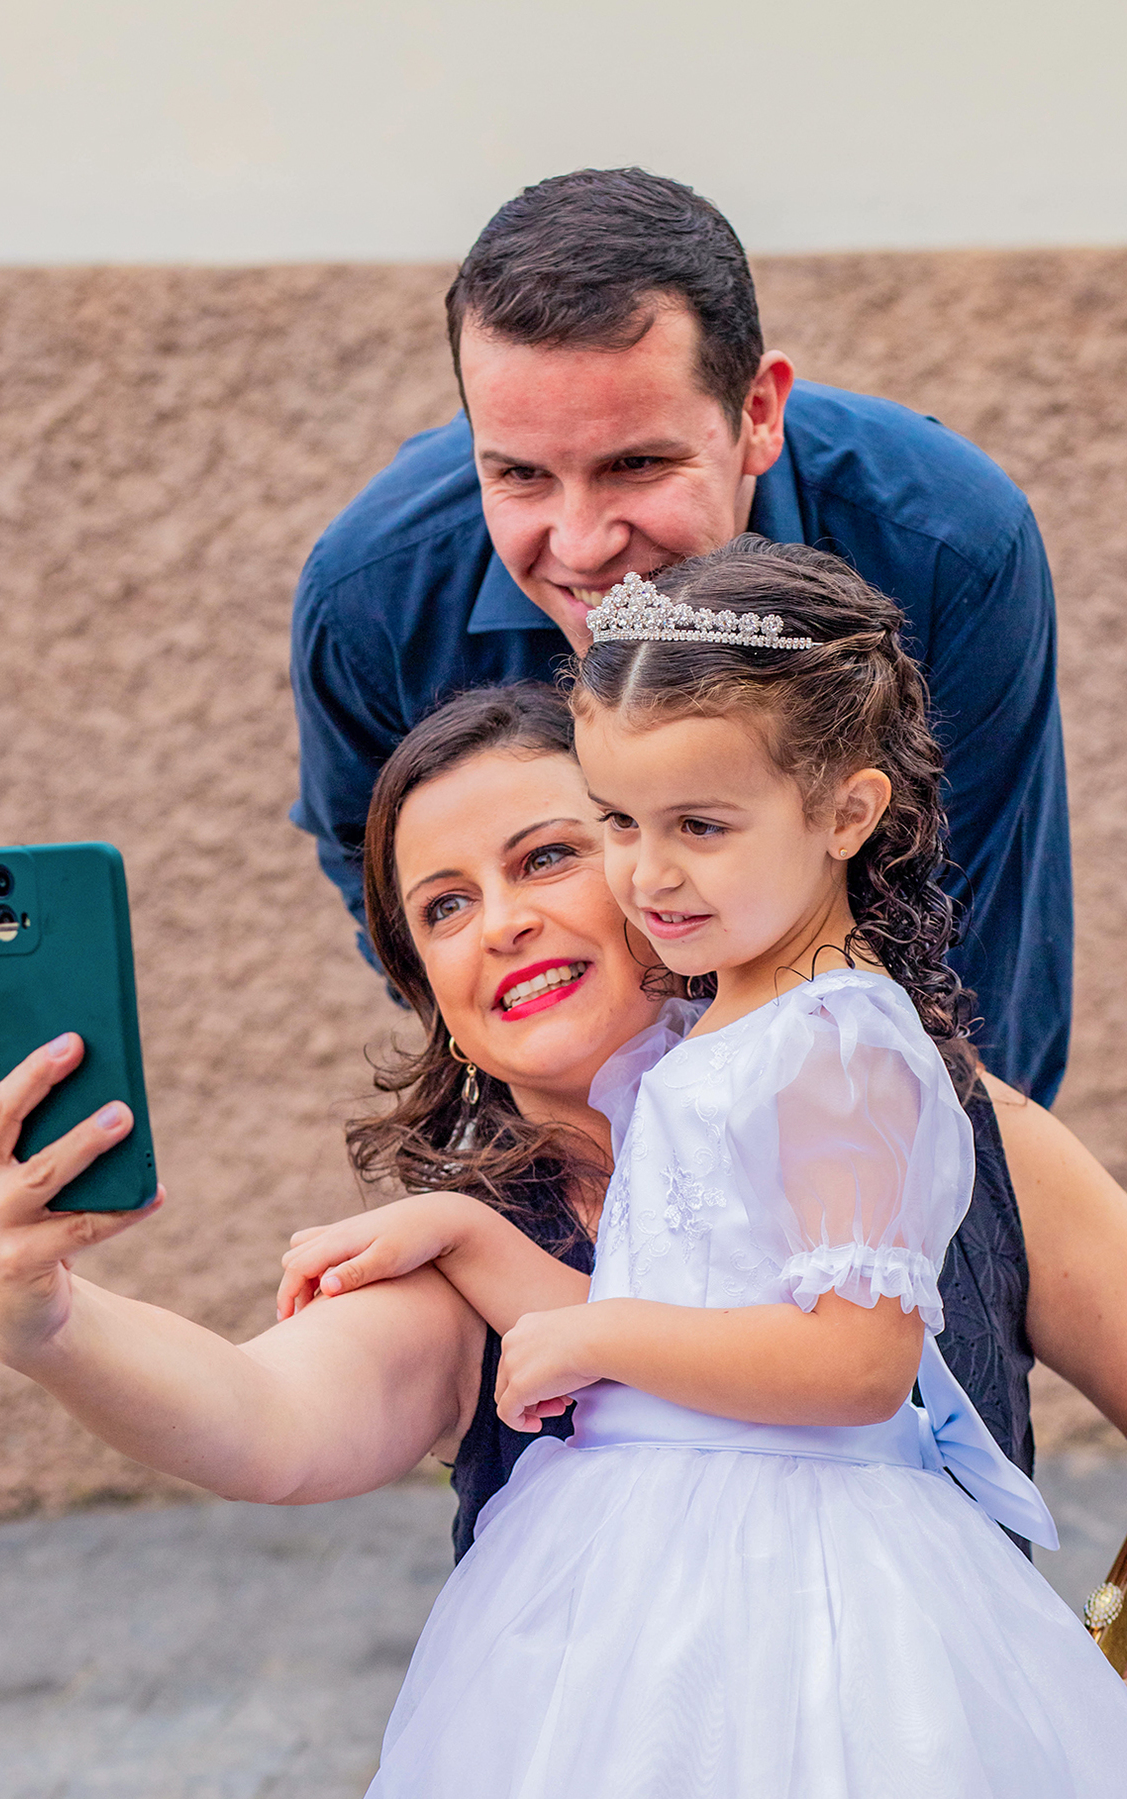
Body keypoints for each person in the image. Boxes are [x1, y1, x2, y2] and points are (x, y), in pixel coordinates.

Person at [280, 541, 1126, 1794]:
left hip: (809, 1578)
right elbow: (692, 1309)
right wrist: (468, 1238)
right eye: (619, 823)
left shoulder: (840, 1046)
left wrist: (600, 1335)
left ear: (846, 812)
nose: (650, 872)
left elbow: (856, 1362)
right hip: (652, 1574)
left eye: (701, 825)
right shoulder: (718, 1030)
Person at [0, 685, 1127, 1565]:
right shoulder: (461, 1256)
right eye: (445, 907)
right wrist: (49, 1320)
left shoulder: (939, 1111)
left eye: (549, 855)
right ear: (440, 1010)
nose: (501, 921)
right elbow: (266, 1418)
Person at [289, 165, 1071, 1105]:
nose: (582, 545)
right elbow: (384, 872)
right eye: (521, 475)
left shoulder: (950, 544)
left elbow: (975, 951)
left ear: (758, 413)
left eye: (636, 464)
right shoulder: (368, 598)